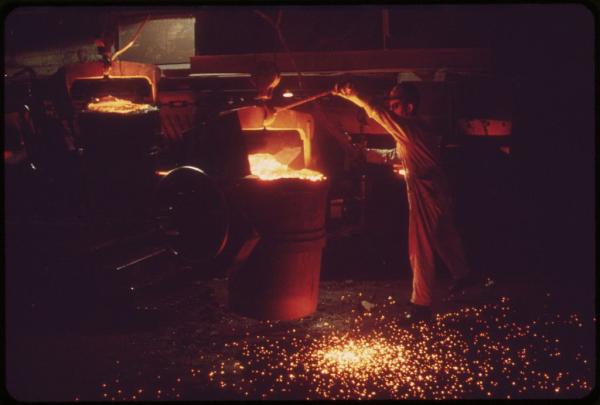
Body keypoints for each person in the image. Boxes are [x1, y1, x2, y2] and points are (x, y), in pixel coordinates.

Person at [332, 81, 474, 322]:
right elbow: (395, 155)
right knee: (443, 236)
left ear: (409, 107)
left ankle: (422, 305)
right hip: (436, 188)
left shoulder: (411, 129)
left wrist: (353, 94)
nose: (392, 109)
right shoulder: (412, 132)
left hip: (426, 190)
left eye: (396, 105)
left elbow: (378, 113)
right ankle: (464, 275)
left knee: (419, 247)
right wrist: (363, 152)